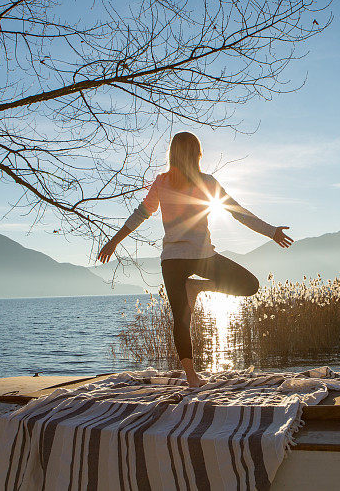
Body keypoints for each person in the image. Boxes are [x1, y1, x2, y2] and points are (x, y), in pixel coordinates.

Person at [97, 131, 293, 387]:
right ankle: (193, 371)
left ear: (173, 154)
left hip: (174, 260)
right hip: (201, 256)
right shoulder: (203, 182)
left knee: (182, 317)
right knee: (246, 287)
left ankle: (192, 375)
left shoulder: (165, 181)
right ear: (198, 155)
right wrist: (271, 232)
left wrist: (115, 241)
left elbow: (140, 214)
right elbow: (237, 213)